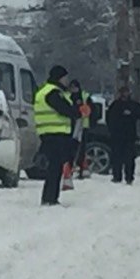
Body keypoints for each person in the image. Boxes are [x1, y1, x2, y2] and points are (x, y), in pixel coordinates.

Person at [34, 65, 81, 207]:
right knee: (54, 167)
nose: (67, 80)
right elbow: (65, 109)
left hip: (51, 133)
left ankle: (51, 197)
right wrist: (76, 111)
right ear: (59, 78)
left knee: (56, 166)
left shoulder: (49, 91)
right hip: (54, 134)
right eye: (65, 77)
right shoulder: (53, 93)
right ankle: (49, 198)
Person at [105, 86, 140, 184]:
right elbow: (109, 118)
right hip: (117, 135)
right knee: (116, 157)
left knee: (129, 158)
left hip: (130, 136)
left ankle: (129, 177)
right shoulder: (115, 105)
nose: (124, 95)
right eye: (123, 93)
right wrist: (112, 130)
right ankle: (117, 176)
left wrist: (132, 113)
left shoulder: (133, 104)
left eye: (126, 92)